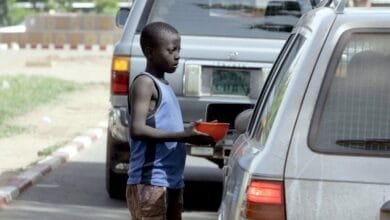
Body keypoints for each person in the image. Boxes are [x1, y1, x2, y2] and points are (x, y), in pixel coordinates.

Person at [126, 21, 215, 220]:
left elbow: (164, 125)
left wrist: (194, 132)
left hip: (172, 182)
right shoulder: (145, 83)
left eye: (179, 50)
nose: (177, 55)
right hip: (150, 182)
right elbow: (137, 129)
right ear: (150, 52)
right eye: (171, 50)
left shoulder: (164, 85)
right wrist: (184, 135)